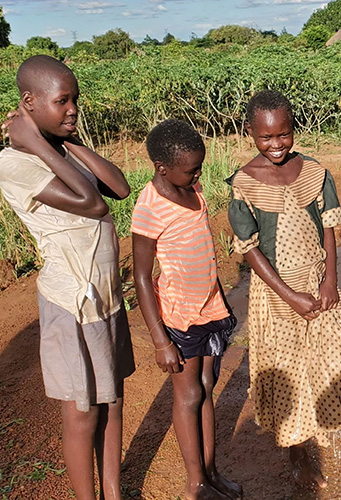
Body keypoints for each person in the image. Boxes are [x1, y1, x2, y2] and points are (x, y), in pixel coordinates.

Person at [228, 89, 341, 496]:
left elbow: (329, 229)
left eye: (284, 135)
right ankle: (299, 458)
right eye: (266, 138)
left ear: (293, 129)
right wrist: (288, 295)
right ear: (250, 133)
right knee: (291, 384)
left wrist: (330, 280)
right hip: (276, 298)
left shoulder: (314, 173)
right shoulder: (244, 184)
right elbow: (251, 252)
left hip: (320, 293)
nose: (277, 145)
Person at [0, 55, 135, 500]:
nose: (73, 108)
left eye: (75, 100)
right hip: (70, 301)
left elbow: (117, 189)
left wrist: (66, 142)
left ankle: (112, 494)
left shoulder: (61, 148)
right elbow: (93, 204)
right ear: (29, 103)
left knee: (111, 399)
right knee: (83, 411)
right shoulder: (14, 165)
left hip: (106, 297)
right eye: (63, 101)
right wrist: (40, 146)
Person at [131, 119, 242, 500]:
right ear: (162, 168)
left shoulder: (191, 189)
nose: (198, 174)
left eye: (199, 166)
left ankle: (211, 473)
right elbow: (143, 278)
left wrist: (221, 300)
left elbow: (205, 251)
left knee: (207, 388)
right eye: (192, 168)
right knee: (190, 394)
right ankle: (194, 483)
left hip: (210, 307)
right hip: (180, 316)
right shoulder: (149, 207)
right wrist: (161, 341)